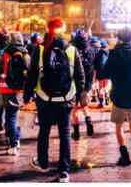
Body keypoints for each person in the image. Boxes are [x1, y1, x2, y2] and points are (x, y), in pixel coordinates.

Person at [25, 18, 86, 183]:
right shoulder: (72, 50)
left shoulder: (40, 49)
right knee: (64, 134)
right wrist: (80, 95)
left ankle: (43, 163)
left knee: (44, 131)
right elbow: (80, 76)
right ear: (64, 30)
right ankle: (64, 171)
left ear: (47, 29)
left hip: (44, 98)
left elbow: (32, 75)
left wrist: (27, 94)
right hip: (66, 100)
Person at [96, 28, 131, 166]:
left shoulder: (114, 53)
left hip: (119, 93)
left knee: (119, 125)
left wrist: (102, 71)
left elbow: (104, 72)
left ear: (119, 38)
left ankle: (124, 155)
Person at [0, 32, 31, 155]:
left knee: (10, 116)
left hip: (6, 89)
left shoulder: (5, 54)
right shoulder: (26, 55)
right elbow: (30, 73)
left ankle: (13, 144)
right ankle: (16, 138)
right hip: (21, 90)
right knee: (17, 116)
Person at [70, 29, 96, 140]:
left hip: (75, 83)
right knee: (84, 104)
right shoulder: (90, 50)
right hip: (87, 83)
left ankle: (76, 133)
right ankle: (88, 121)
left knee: (74, 108)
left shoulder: (72, 50)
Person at [94, 38, 110, 107]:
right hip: (107, 72)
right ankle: (107, 100)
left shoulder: (98, 53)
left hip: (100, 72)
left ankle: (101, 102)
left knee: (100, 87)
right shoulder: (108, 53)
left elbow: (95, 64)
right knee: (106, 86)